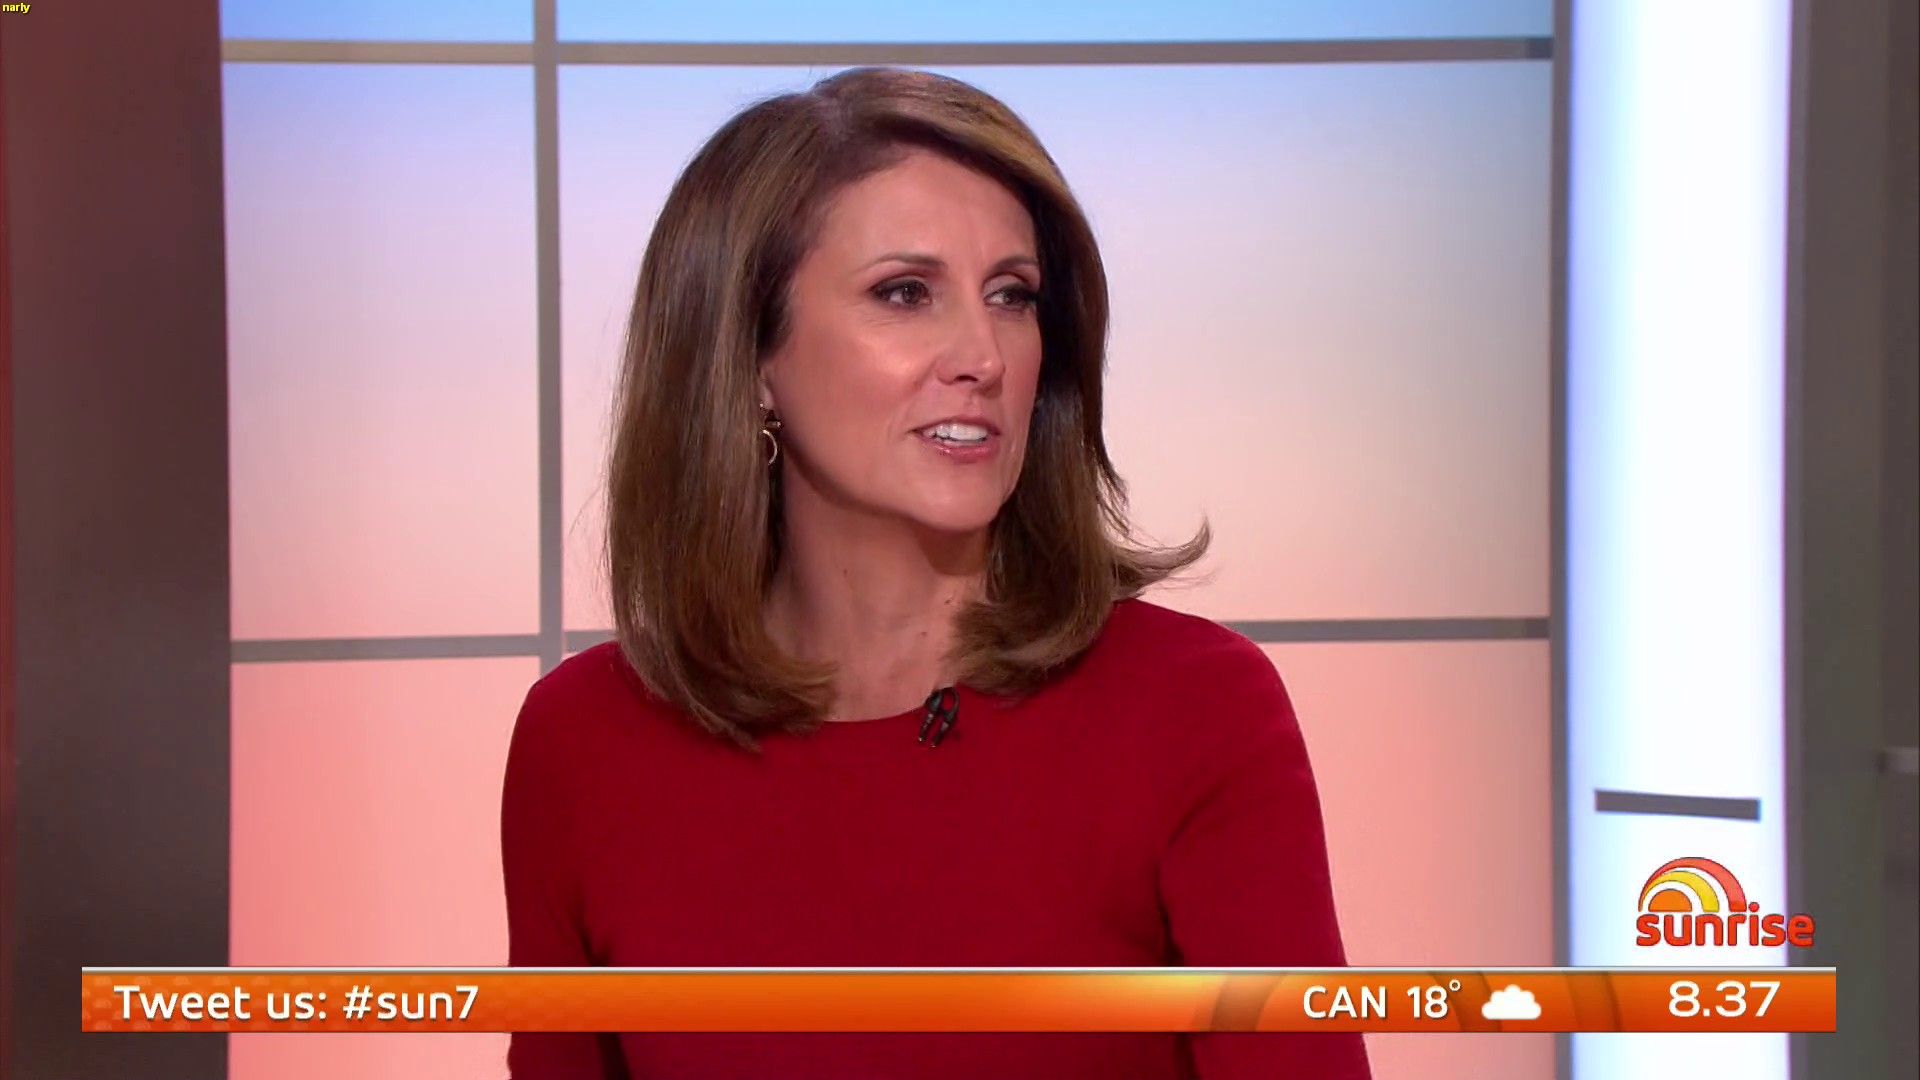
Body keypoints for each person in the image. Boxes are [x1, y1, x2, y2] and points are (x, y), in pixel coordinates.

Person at [501, 65, 1370, 1079]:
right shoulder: (585, 745)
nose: (983, 356)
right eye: (905, 293)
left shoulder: (1189, 712)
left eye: (1012, 295)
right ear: (750, 357)